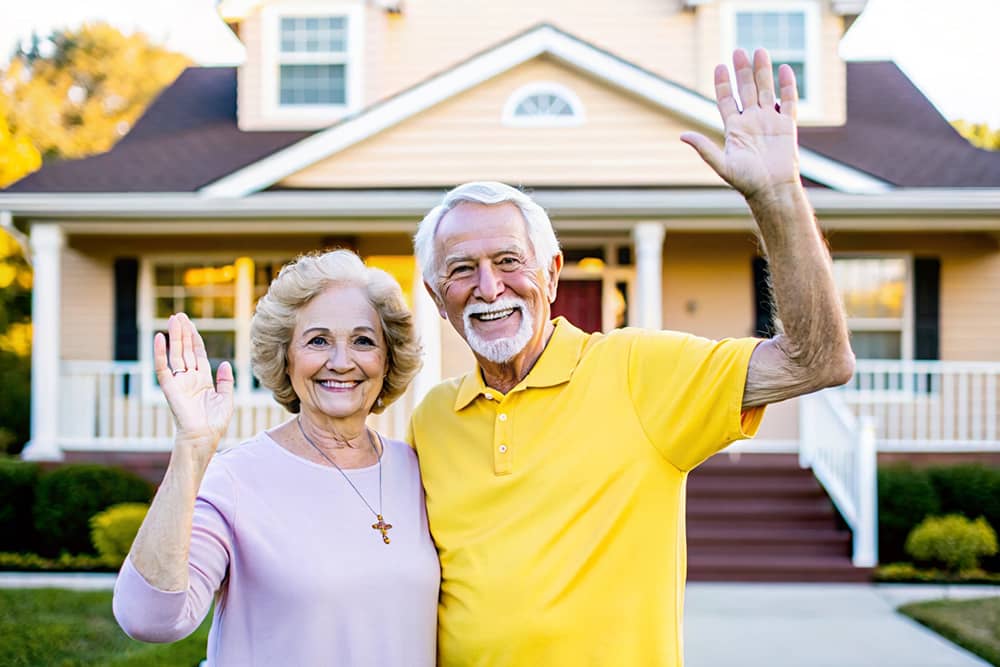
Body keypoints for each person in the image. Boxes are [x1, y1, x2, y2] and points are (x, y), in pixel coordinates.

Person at [408, 48, 855, 666]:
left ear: (552, 273)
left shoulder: (638, 371)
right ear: (437, 297)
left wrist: (778, 197)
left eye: (509, 261)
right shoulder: (431, 420)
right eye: (462, 270)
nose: (489, 288)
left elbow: (819, 361)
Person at [113, 250, 439, 666]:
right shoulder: (236, 478)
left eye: (363, 341)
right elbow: (149, 620)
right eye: (318, 340)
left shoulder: (416, 468)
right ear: (285, 356)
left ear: (388, 358)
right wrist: (191, 448)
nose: (341, 362)